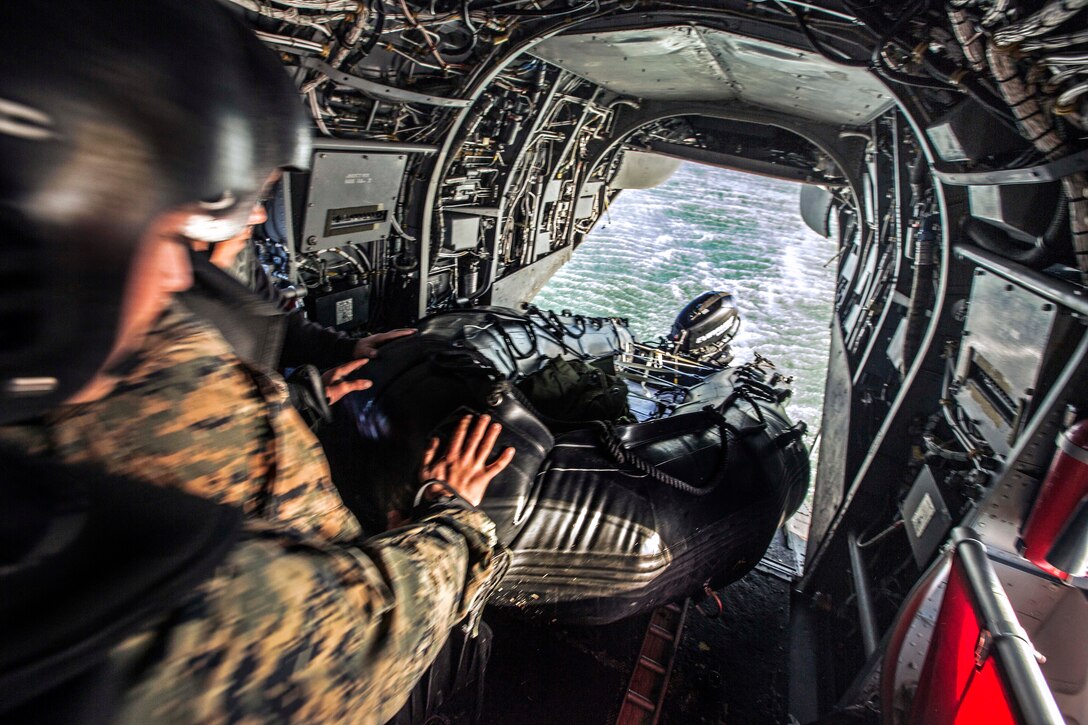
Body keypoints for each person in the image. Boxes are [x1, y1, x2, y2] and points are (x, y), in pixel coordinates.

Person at [0, 1, 513, 722]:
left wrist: (324, 369)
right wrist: (455, 517)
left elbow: (264, 326)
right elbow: (357, 649)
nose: (179, 276)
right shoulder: (90, 585)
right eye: (170, 232)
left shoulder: (145, 350)